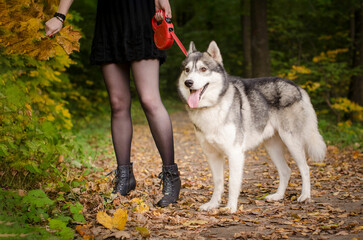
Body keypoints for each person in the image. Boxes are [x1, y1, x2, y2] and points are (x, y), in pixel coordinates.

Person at [45, 0, 181, 207]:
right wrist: (60, 16)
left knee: (149, 99)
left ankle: (171, 176)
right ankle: (125, 177)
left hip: (141, 15)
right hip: (109, 21)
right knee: (117, 103)